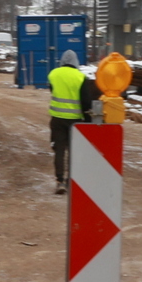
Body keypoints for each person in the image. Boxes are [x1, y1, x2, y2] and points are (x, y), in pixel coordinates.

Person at [45, 50, 94, 193]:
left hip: (57, 119)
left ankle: (59, 181)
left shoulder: (53, 74)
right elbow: (86, 102)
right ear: (75, 62)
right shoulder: (81, 77)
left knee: (59, 150)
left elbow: (53, 91)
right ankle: (70, 181)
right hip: (75, 122)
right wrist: (88, 121)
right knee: (74, 152)